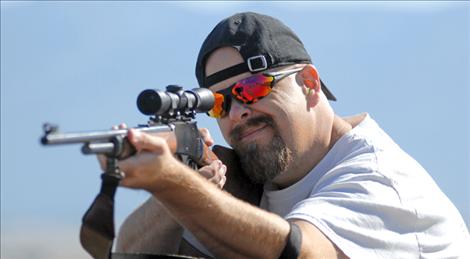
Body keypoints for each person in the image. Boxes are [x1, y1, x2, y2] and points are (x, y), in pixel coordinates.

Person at [113, 12, 469, 258]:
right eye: (220, 103)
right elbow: (129, 251)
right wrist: (172, 191)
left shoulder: (378, 178)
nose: (239, 112)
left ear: (310, 83)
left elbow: (301, 252)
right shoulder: (260, 176)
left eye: (253, 89)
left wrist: (179, 186)